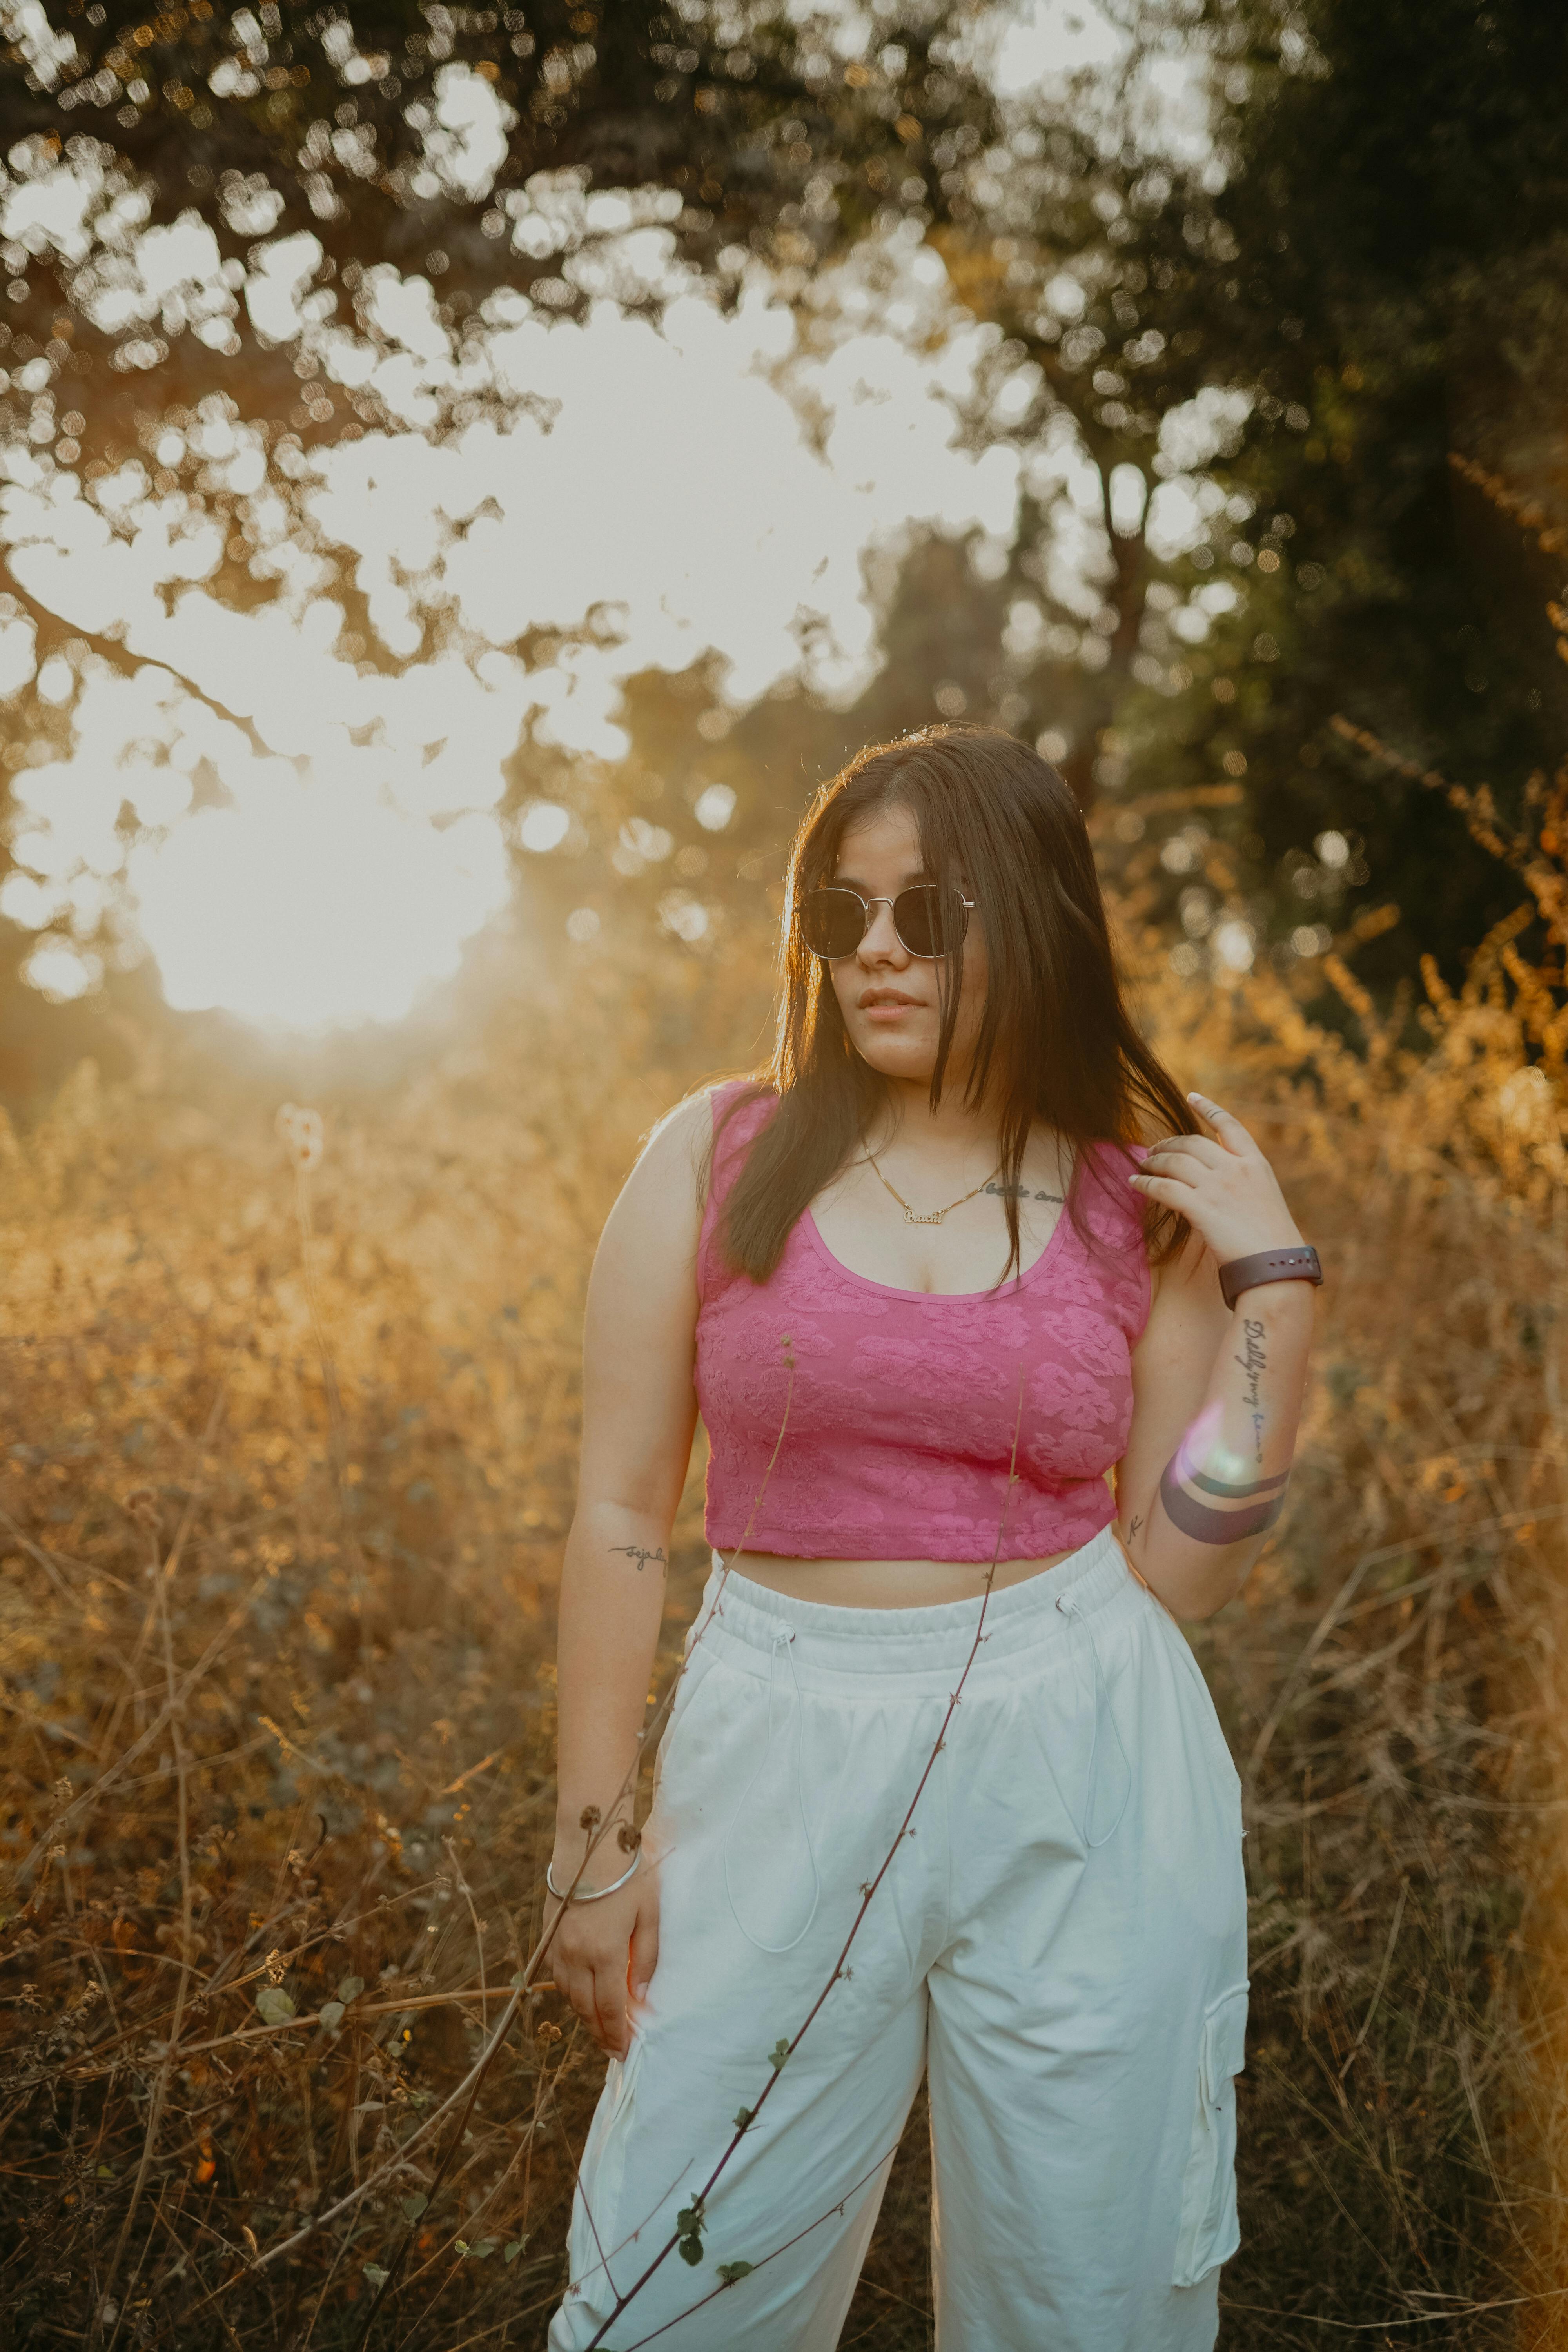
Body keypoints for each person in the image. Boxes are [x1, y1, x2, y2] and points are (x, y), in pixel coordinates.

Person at [545, 727, 1319, 2352]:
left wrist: (1278, 1299)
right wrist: (591, 1839)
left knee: (1084, 2300)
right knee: (672, 2292)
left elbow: (1174, 1561)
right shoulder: (717, 1157)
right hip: (775, 1734)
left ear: (1028, 919)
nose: (877, 952)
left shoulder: (1140, 1200)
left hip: (1079, 1747)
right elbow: (622, 1515)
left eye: (928, 913)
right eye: (843, 915)